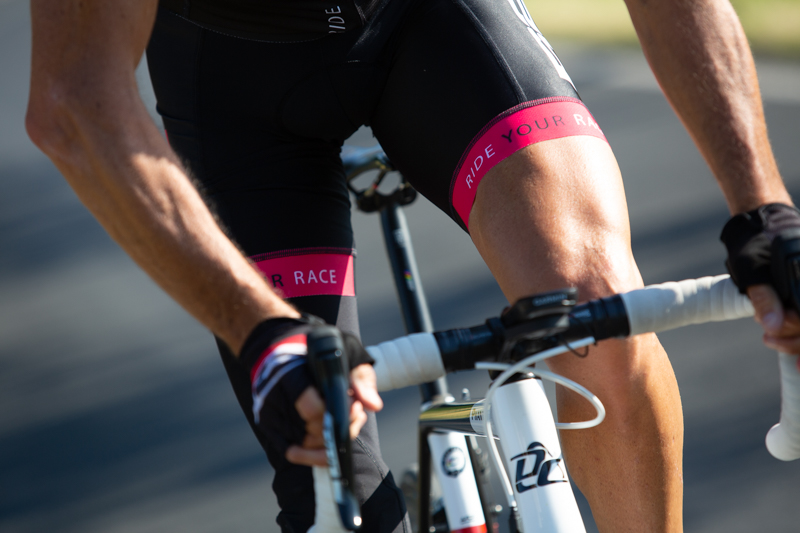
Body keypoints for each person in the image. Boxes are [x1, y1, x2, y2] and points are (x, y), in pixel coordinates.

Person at [25, 0, 800, 531]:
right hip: (231, 87)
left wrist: (764, 213)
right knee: (328, 464)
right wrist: (260, 331)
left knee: (596, 311)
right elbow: (70, 99)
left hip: (431, 26)